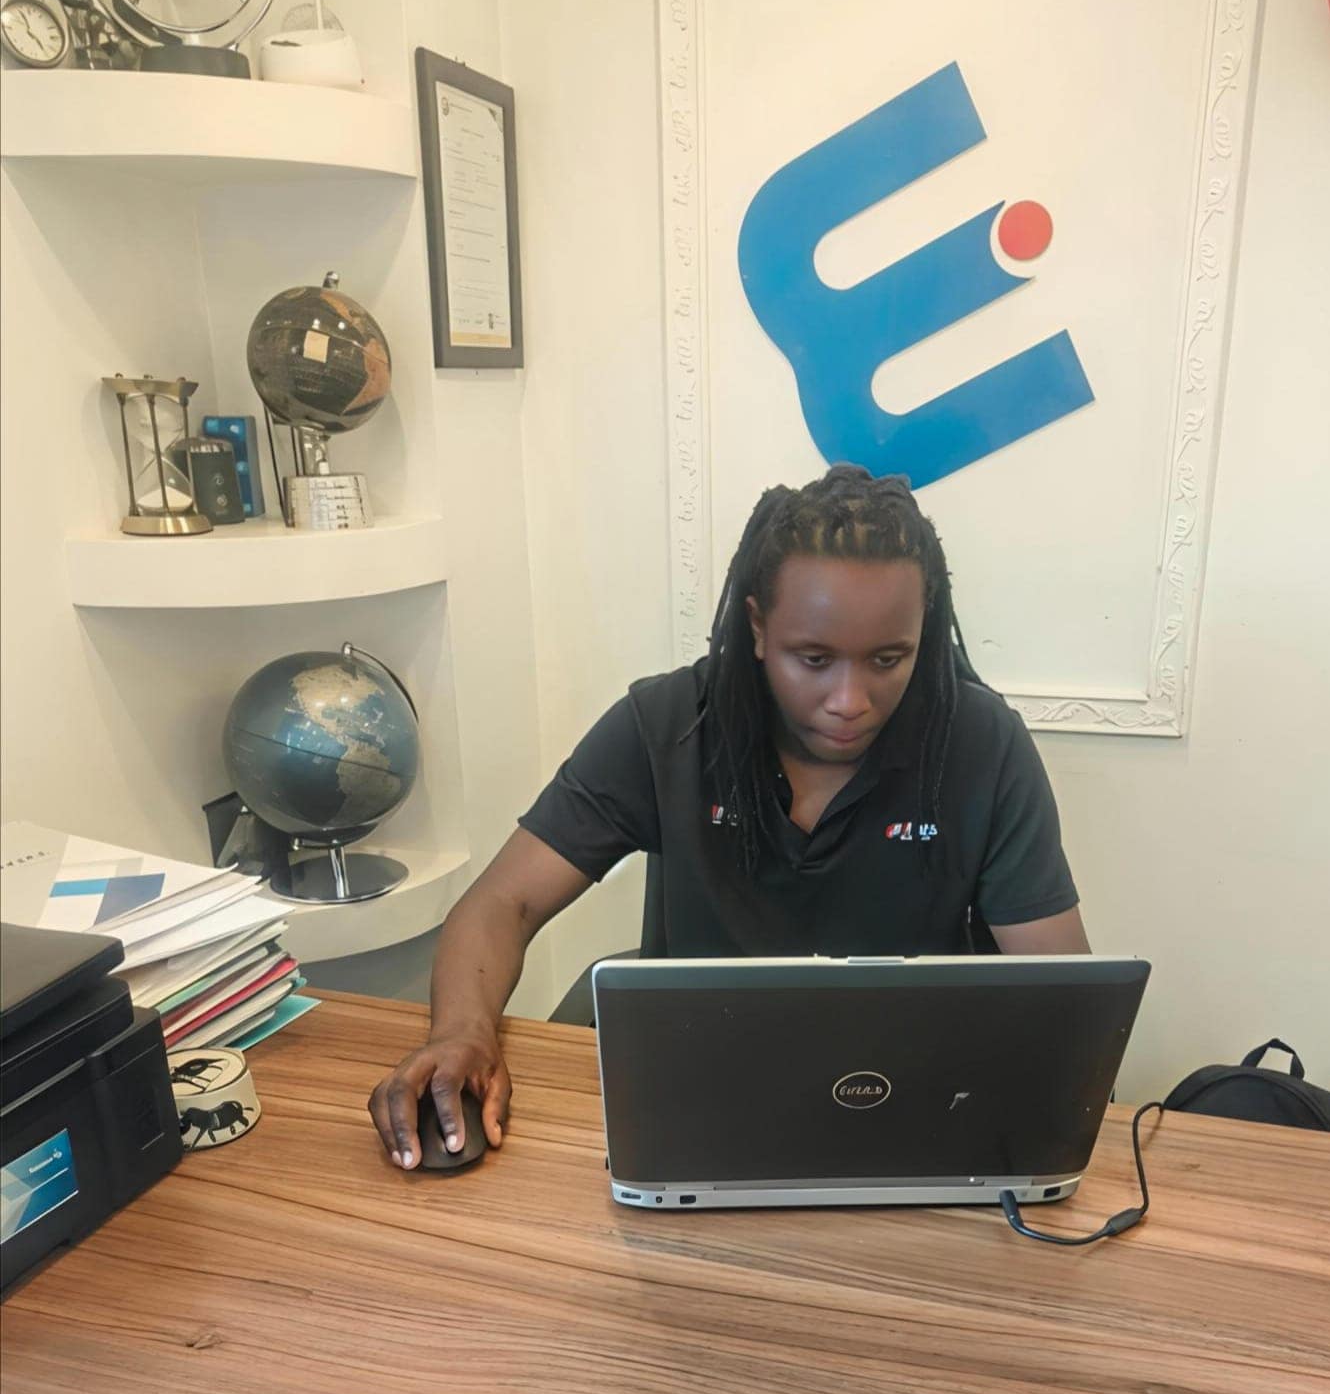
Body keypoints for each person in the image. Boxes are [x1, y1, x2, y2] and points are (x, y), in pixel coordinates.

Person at [368, 465, 1088, 1168]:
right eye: (814, 659)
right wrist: (462, 1030)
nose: (850, 701)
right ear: (758, 627)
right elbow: (503, 902)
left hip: (915, 1106)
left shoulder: (982, 744)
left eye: (887, 659)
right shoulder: (668, 726)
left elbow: (1065, 999)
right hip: (697, 1100)